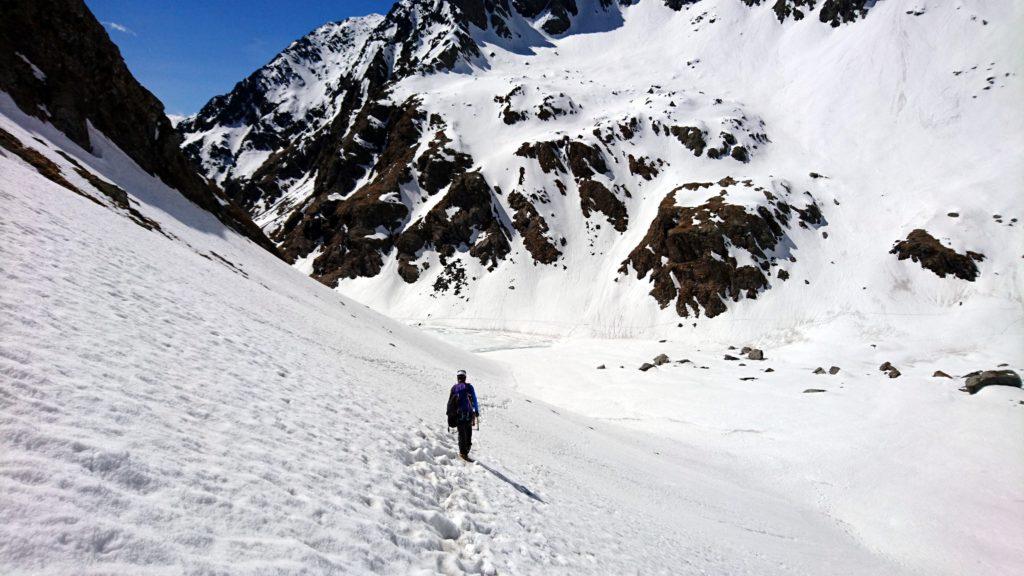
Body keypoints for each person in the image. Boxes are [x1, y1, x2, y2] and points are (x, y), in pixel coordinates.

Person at [446, 369, 479, 461]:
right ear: (465, 377)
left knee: (461, 434)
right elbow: (474, 399)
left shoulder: (454, 388)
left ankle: (462, 452)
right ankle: (466, 451)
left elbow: (450, 402)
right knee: (468, 433)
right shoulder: (469, 387)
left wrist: (450, 414)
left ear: (457, 378)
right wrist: (476, 411)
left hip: (458, 415)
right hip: (468, 414)